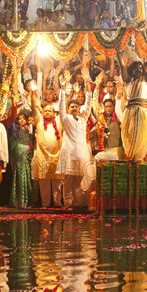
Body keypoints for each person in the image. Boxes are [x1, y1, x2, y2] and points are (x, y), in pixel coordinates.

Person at [118, 43, 147, 160]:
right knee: (130, 137)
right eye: (136, 68)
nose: (139, 69)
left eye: (141, 68)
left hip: (142, 113)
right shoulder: (128, 81)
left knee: (141, 139)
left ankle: (137, 161)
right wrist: (118, 53)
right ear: (131, 71)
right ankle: (131, 161)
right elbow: (122, 66)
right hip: (130, 113)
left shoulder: (145, 80)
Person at [57, 69, 92, 209]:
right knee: (67, 181)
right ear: (69, 108)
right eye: (71, 106)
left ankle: (78, 203)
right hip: (68, 153)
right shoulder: (66, 119)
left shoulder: (83, 119)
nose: (74, 108)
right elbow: (61, 107)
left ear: (79, 108)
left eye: (76, 106)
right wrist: (63, 89)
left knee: (79, 181)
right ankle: (67, 204)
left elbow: (88, 105)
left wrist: (87, 85)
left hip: (80, 153)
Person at [31, 95, 63, 208]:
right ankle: (45, 204)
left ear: (54, 114)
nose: (48, 112)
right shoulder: (39, 121)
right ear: (42, 113)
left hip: (56, 156)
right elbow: (34, 108)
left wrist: (64, 91)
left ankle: (57, 203)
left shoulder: (59, 122)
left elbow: (63, 108)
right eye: (45, 111)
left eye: (50, 111)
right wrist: (33, 93)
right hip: (42, 156)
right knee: (44, 182)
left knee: (56, 181)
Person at [9, 111, 35, 208]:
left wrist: (30, 149)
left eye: (24, 118)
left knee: (27, 178)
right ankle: (19, 202)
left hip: (28, 157)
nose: (22, 120)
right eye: (20, 118)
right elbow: (13, 145)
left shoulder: (29, 129)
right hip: (19, 158)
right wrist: (24, 148)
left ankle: (27, 202)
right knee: (20, 177)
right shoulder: (16, 130)